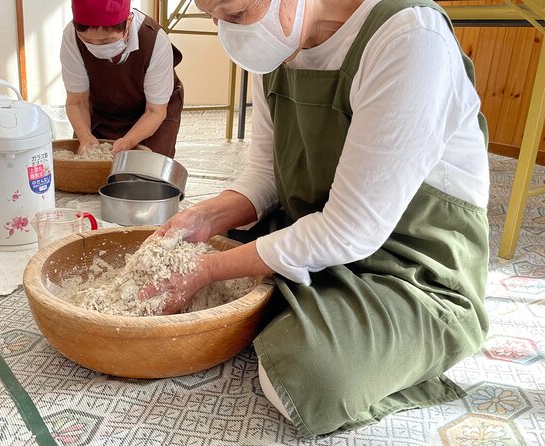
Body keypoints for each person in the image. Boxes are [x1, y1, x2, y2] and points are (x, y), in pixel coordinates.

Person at [140, 0, 490, 438]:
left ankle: (409, 340)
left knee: (307, 376)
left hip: (409, 267)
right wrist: (204, 217)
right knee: (209, 247)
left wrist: (206, 270)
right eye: (213, 17)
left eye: (233, 14)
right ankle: (308, 302)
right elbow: (266, 174)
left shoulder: (409, 39)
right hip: (311, 225)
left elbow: (351, 228)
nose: (227, 32)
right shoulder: (274, 43)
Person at [61, 0, 184, 157]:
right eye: (88, 41)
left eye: (107, 41)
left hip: (153, 112)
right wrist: (85, 137)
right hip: (102, 109)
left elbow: (155, 111)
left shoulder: (155, 40)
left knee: (148, 170)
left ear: (128, 22)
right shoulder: (71, 36)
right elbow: (77, 101)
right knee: (92, 166)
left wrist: (128, 142)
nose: (97, 47)